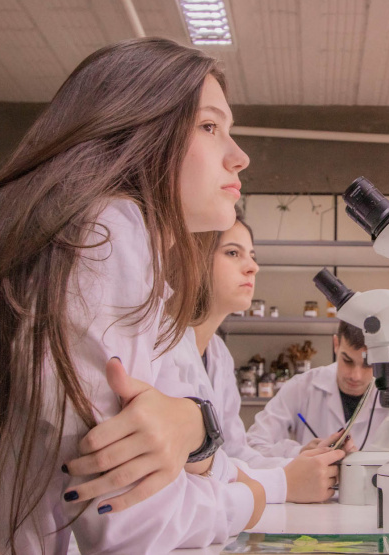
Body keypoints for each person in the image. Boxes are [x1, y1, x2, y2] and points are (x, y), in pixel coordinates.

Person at [0, 38, 265, 554]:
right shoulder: (104, 234)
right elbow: (124, 520)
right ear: (137, 128)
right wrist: (249, 501)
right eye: (210, 127)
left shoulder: (45, 228)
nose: (240, 156)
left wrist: (195, 424)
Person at [144, 209, 346, 504]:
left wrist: (298, 462)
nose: (252, 267)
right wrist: (284, 481)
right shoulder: (161, 346)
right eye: (233, 253)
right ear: (193, 258)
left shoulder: (218, 354)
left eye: (252, 255)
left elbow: (233, 453)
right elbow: (190, 472)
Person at [246, 321, 389, 459]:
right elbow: (253, 444)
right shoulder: (302, 386)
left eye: (368, 365)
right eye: (347, 361)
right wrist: (299, 453)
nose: (356, 376)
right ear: (336, 344)